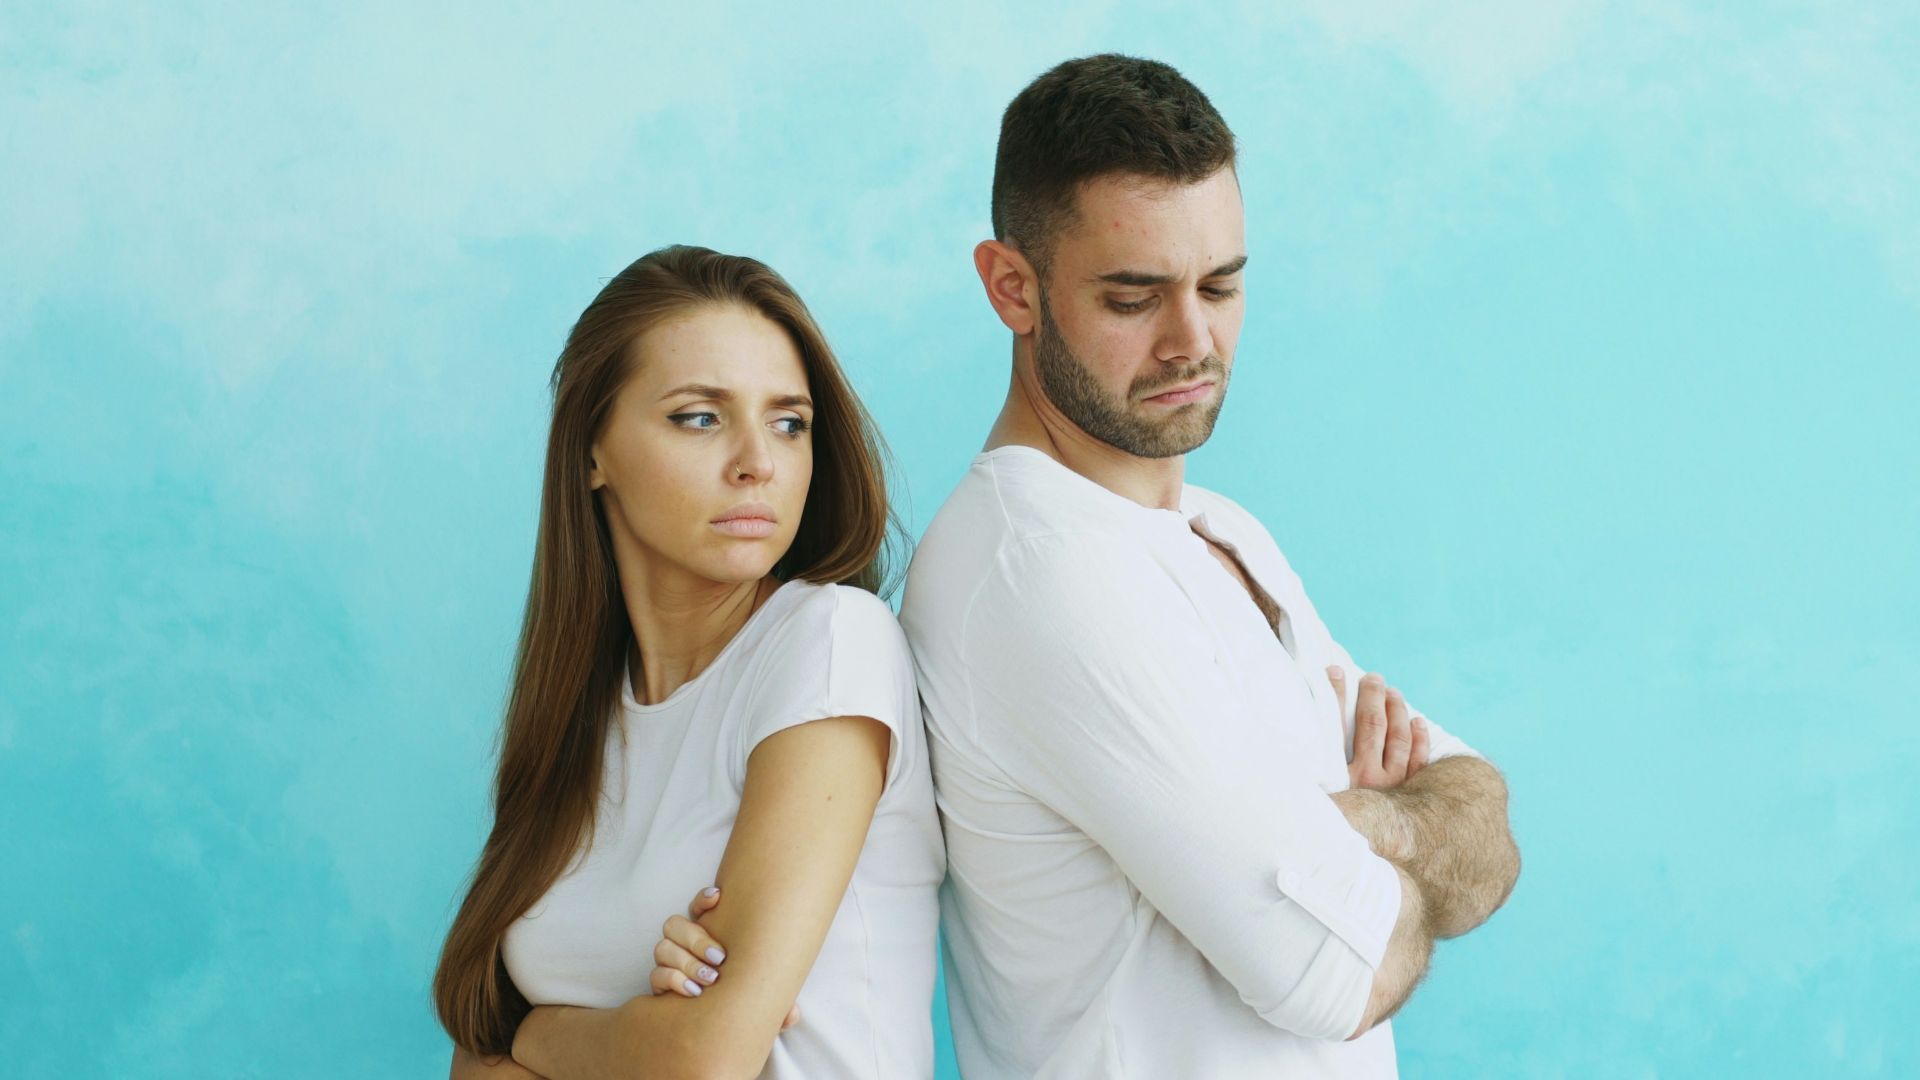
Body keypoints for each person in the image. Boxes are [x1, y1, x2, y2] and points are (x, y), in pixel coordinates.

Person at [898, 55, 1523, 1078]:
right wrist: (1395, 845)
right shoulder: (1037, 574)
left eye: (1221, 286)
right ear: (1013, 287)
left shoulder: (1224, 531)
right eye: (1134, 297)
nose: (1194, 341)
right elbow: (1337, 977)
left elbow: (1487, 828)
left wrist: (1362, 828)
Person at [432, 245, 944, 1079]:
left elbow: (700, 1063)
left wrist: (539, 1037)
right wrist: (632, 1037)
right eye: (700, 417)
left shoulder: (828, 644)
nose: (758, 462)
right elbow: (469, 1054)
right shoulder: (577, 715)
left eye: (789, 422)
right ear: (592, 451)